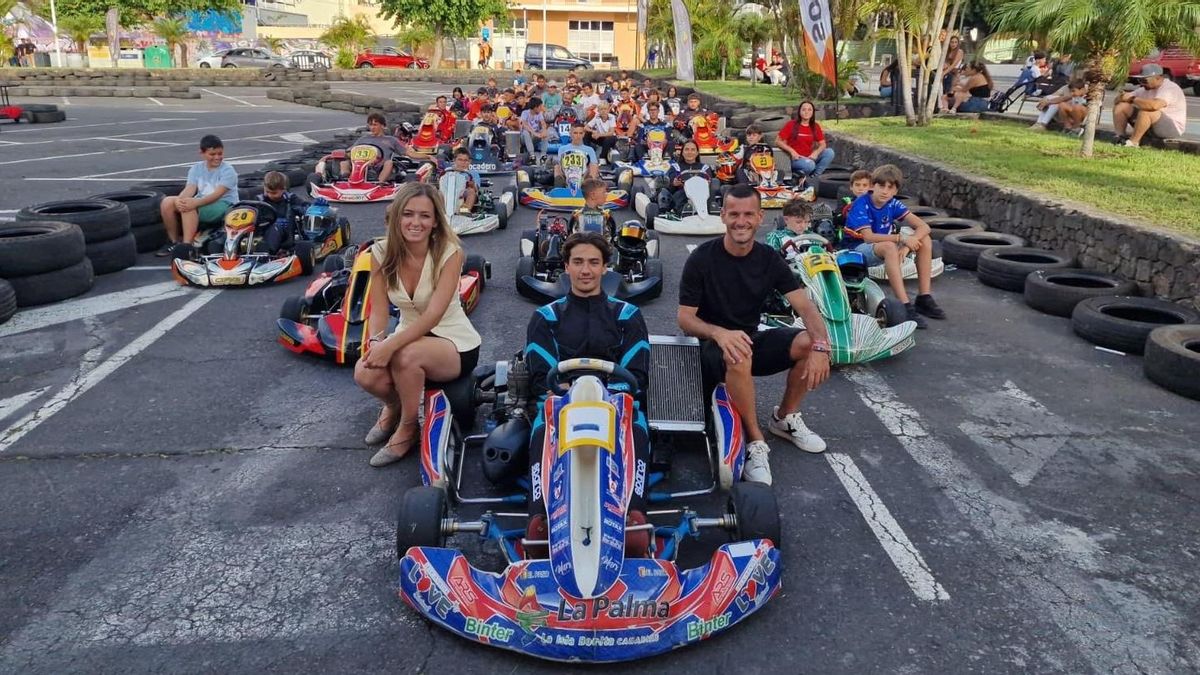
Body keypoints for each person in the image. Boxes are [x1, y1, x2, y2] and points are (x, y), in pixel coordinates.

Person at [677, 183, 831, 485]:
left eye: (748, 214)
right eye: (734, 214)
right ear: (722, 216)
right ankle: (754, 441)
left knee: (805, 340)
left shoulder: (768, 259)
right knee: (738, 349)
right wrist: (720, 334)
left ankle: (783, 418)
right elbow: (685, 319)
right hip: (708, 348)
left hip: (748, 339)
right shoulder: (702, 259)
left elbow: (806, 307)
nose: (741, 221)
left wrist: (821, 347)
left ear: (760, 217)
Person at [523, 231, 652, 558]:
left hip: (615, 400)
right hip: (561, 399)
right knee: (547, 416)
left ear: (605, 268)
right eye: (578, 262)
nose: (585, 270)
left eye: (594, 263)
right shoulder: (547, 316)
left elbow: (637, 371)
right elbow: (541, 371)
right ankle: (539, 515)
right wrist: (568, 390)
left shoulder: (626, 314)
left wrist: (607, 391)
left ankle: (634, 513)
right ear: (565, 267)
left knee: (631, 416)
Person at [354, 183, 481, 467]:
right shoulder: (379, 253)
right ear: (397, 216)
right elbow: (378, 308)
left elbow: (433, 315)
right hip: (407, 337)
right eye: (408, 214)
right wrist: (376, 341)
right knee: (364, 372)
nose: (416, 222)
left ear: (436, 221)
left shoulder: (450, 252)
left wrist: (390, 346)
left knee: (405, 355)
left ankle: (409, 428)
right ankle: (394, 405)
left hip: (453, 342)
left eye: (425, 216)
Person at [843, 164, 945, 328]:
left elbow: (924, 227)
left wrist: (906, 247)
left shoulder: (893, 203)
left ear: (895, 191)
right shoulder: (861, 204)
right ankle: (905, 305)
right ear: (872, 186)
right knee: (890, 246)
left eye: (890, 188)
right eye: (881, 186)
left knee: (924, 239)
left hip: (884, 246)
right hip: (857, 250)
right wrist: (901, 238)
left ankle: (924, 297)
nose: (885, 191)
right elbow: (868, 238)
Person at [157, 134, 238, 255]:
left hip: (225, 204)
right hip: (203, 202)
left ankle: (186, 247)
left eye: (220, 154)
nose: (217, 157)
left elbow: (217, 195)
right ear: (202, 153)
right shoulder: (196, 169)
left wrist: (193, 202)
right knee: (167, 202)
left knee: (189, 207)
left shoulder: (228, 171)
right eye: (212, 154)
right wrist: (180, 199)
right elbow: (190, 188)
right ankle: (174, 241)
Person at [1113, 64, 1187, 147]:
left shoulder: (1170, 88)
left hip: (1172, 128)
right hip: (1153, 125)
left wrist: (1132, 99)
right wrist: (1122, 97)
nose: (1142, 84)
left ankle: (1133, 142)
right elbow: (1118, 100)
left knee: (1146, 111)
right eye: (1139, 80)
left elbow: (1154, 106)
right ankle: (1120, 137)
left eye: (1144, 81)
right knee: (1121, 106)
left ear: (1158, 78)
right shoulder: (1145, 89)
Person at [775, 100, 835, 183]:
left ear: (813, 112)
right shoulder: (791, 124)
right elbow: (778, 141)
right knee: (810, 165)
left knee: (829, 152)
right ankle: (802, 176)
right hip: (795, 159)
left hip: (810, 157)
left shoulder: (815, 126)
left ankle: (813, 177)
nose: (806, 112)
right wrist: (792, 151)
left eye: (809, 110)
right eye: (804, 109)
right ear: (799, 112)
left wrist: (816, 153)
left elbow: (823, 144)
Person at [343, 112, 405, 183]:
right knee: (344, 163)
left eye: (375, 125)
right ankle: (344, 180)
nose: (372, 127)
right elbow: (350, 150)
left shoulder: (391, 140)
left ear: (383, 126)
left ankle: (379, 183)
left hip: (379, 166)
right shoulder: (363, 139)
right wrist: (348, 153)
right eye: (370, 125)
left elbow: (408, 152)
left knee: (389, 163)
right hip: (360, 164)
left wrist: (420, 153)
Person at [255, 171, 310, 251]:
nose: (270, 195)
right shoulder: (259, 200)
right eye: (267, 192)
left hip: (285, 237)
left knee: (276, 228)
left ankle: (267, 253)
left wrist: (316, 205)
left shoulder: (290, 199)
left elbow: (306, 208)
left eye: (274, 193)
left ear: (283, 189)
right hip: (261, 234)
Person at [663, 140, 712, 213]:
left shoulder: (704, 168)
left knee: (714, 185)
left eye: (693, 150)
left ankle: (710, 211)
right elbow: (669, 185)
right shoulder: (676, 167)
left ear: (697, 153)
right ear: (682, 152)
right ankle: (684, 213)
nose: (690, 152)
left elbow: (709, 180)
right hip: (682, 193)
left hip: (702, 193)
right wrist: (674, 183)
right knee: (679, 194)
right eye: (687, 149)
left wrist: (707, 183)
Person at [446, 147, 481, 212]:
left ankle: (464, 211)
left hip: (464, 194)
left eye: (465, 160)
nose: (463, 163)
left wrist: (472, 185)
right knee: (438, 193)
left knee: (471, 191)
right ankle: (440, 212)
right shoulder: (447, 171)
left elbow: (476, 189)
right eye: (460, 160)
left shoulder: (473, 173)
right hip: (448, 192)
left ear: (469, 161)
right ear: (454, 160)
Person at [940, 35, 964, 104]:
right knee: (943, 89)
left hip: (953, 73)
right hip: (946, 72)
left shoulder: (959, 52)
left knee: (949, 90)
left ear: (958, 43)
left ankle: (947, 106)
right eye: (952, 42)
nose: (953, 44)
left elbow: (953, 65)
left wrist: (943, 73)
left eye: (955, 42)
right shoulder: (947, 52)